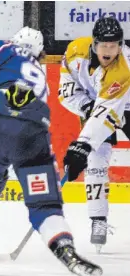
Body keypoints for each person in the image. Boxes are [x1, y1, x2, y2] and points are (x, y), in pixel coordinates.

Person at [0, 27, 102, 276]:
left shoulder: (4, 48)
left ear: (14, 41)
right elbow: (15, 117)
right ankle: (66, 251)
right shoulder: (39, 73)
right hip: (32, 132)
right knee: (45, 204)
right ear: (40, 54)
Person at [59, 17, 130, 253]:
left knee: (88, 148)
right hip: (95, 104)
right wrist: (85, 106)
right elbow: (66, 93)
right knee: (95, 161)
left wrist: (82, 144)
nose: (109, 51)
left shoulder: (123, 67)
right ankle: (98, 220)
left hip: (124, 104)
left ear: (121, 45)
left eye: (114, 46)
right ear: (94, 43)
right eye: (104, 46)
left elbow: (108, 112)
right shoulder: (74, 53)